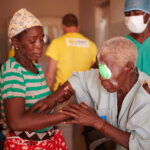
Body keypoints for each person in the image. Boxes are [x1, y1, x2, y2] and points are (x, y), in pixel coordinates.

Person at [30, 37, 150, 150]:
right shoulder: (108, 81)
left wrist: (96, 122)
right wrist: (53, 97)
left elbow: (140, 145)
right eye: (99, 69)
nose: (100, 77)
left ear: (128, 67)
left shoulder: (145, 97)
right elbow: (78, 79)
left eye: (105, 72)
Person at [0, 8, 73, 150]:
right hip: (25, 145)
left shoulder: (36, 68)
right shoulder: (12, 71)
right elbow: (16, 122)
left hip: (46, 141)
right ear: (16, 42)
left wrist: (56, 99)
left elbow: (38, 109)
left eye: (41, 39)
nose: (40, 45)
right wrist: (64, 116)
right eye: (33, 41)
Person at [45, 13, 97, 149]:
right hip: (87, 96)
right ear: (78, 26)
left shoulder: (57, 43)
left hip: (64, 95)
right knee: (86, 135)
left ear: (63, 26)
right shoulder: (91, 45)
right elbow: (95, 71)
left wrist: (47, 99)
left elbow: (50, 76)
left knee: (64, 136)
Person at [124, 0, 150, 76]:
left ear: (148, 13)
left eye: (136, 13)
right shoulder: (122, 44)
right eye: (127, 14)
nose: (131, 18)